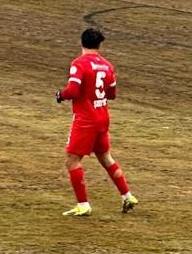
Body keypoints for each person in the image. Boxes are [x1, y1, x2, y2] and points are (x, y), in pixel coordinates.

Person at [55, 28, 137, 217]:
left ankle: (83, 204)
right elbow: (112, 94)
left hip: (86, 118)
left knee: (72, 160)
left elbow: (73, 90)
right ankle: (127, 195)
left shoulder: (79, 64)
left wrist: (61, 95)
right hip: (102, 117)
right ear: (99, 45)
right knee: (105, 157)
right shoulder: (107, 66)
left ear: (81, 42)